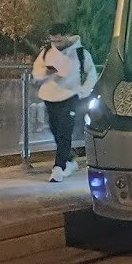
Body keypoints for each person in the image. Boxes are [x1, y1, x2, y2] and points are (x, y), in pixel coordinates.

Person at [32, 23, 97, 183]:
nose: (57, 45)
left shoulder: (81, 53)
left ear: (68, 35)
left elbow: (92, 74)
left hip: (70, 97)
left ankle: (58, 167)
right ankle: (68, 160)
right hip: (50, 96)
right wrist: (48, 72)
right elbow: (36, 72)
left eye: (60, 41)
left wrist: (82, 91)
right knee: (55, 130)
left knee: (64, 131)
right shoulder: (47, 52)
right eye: (54, 42)